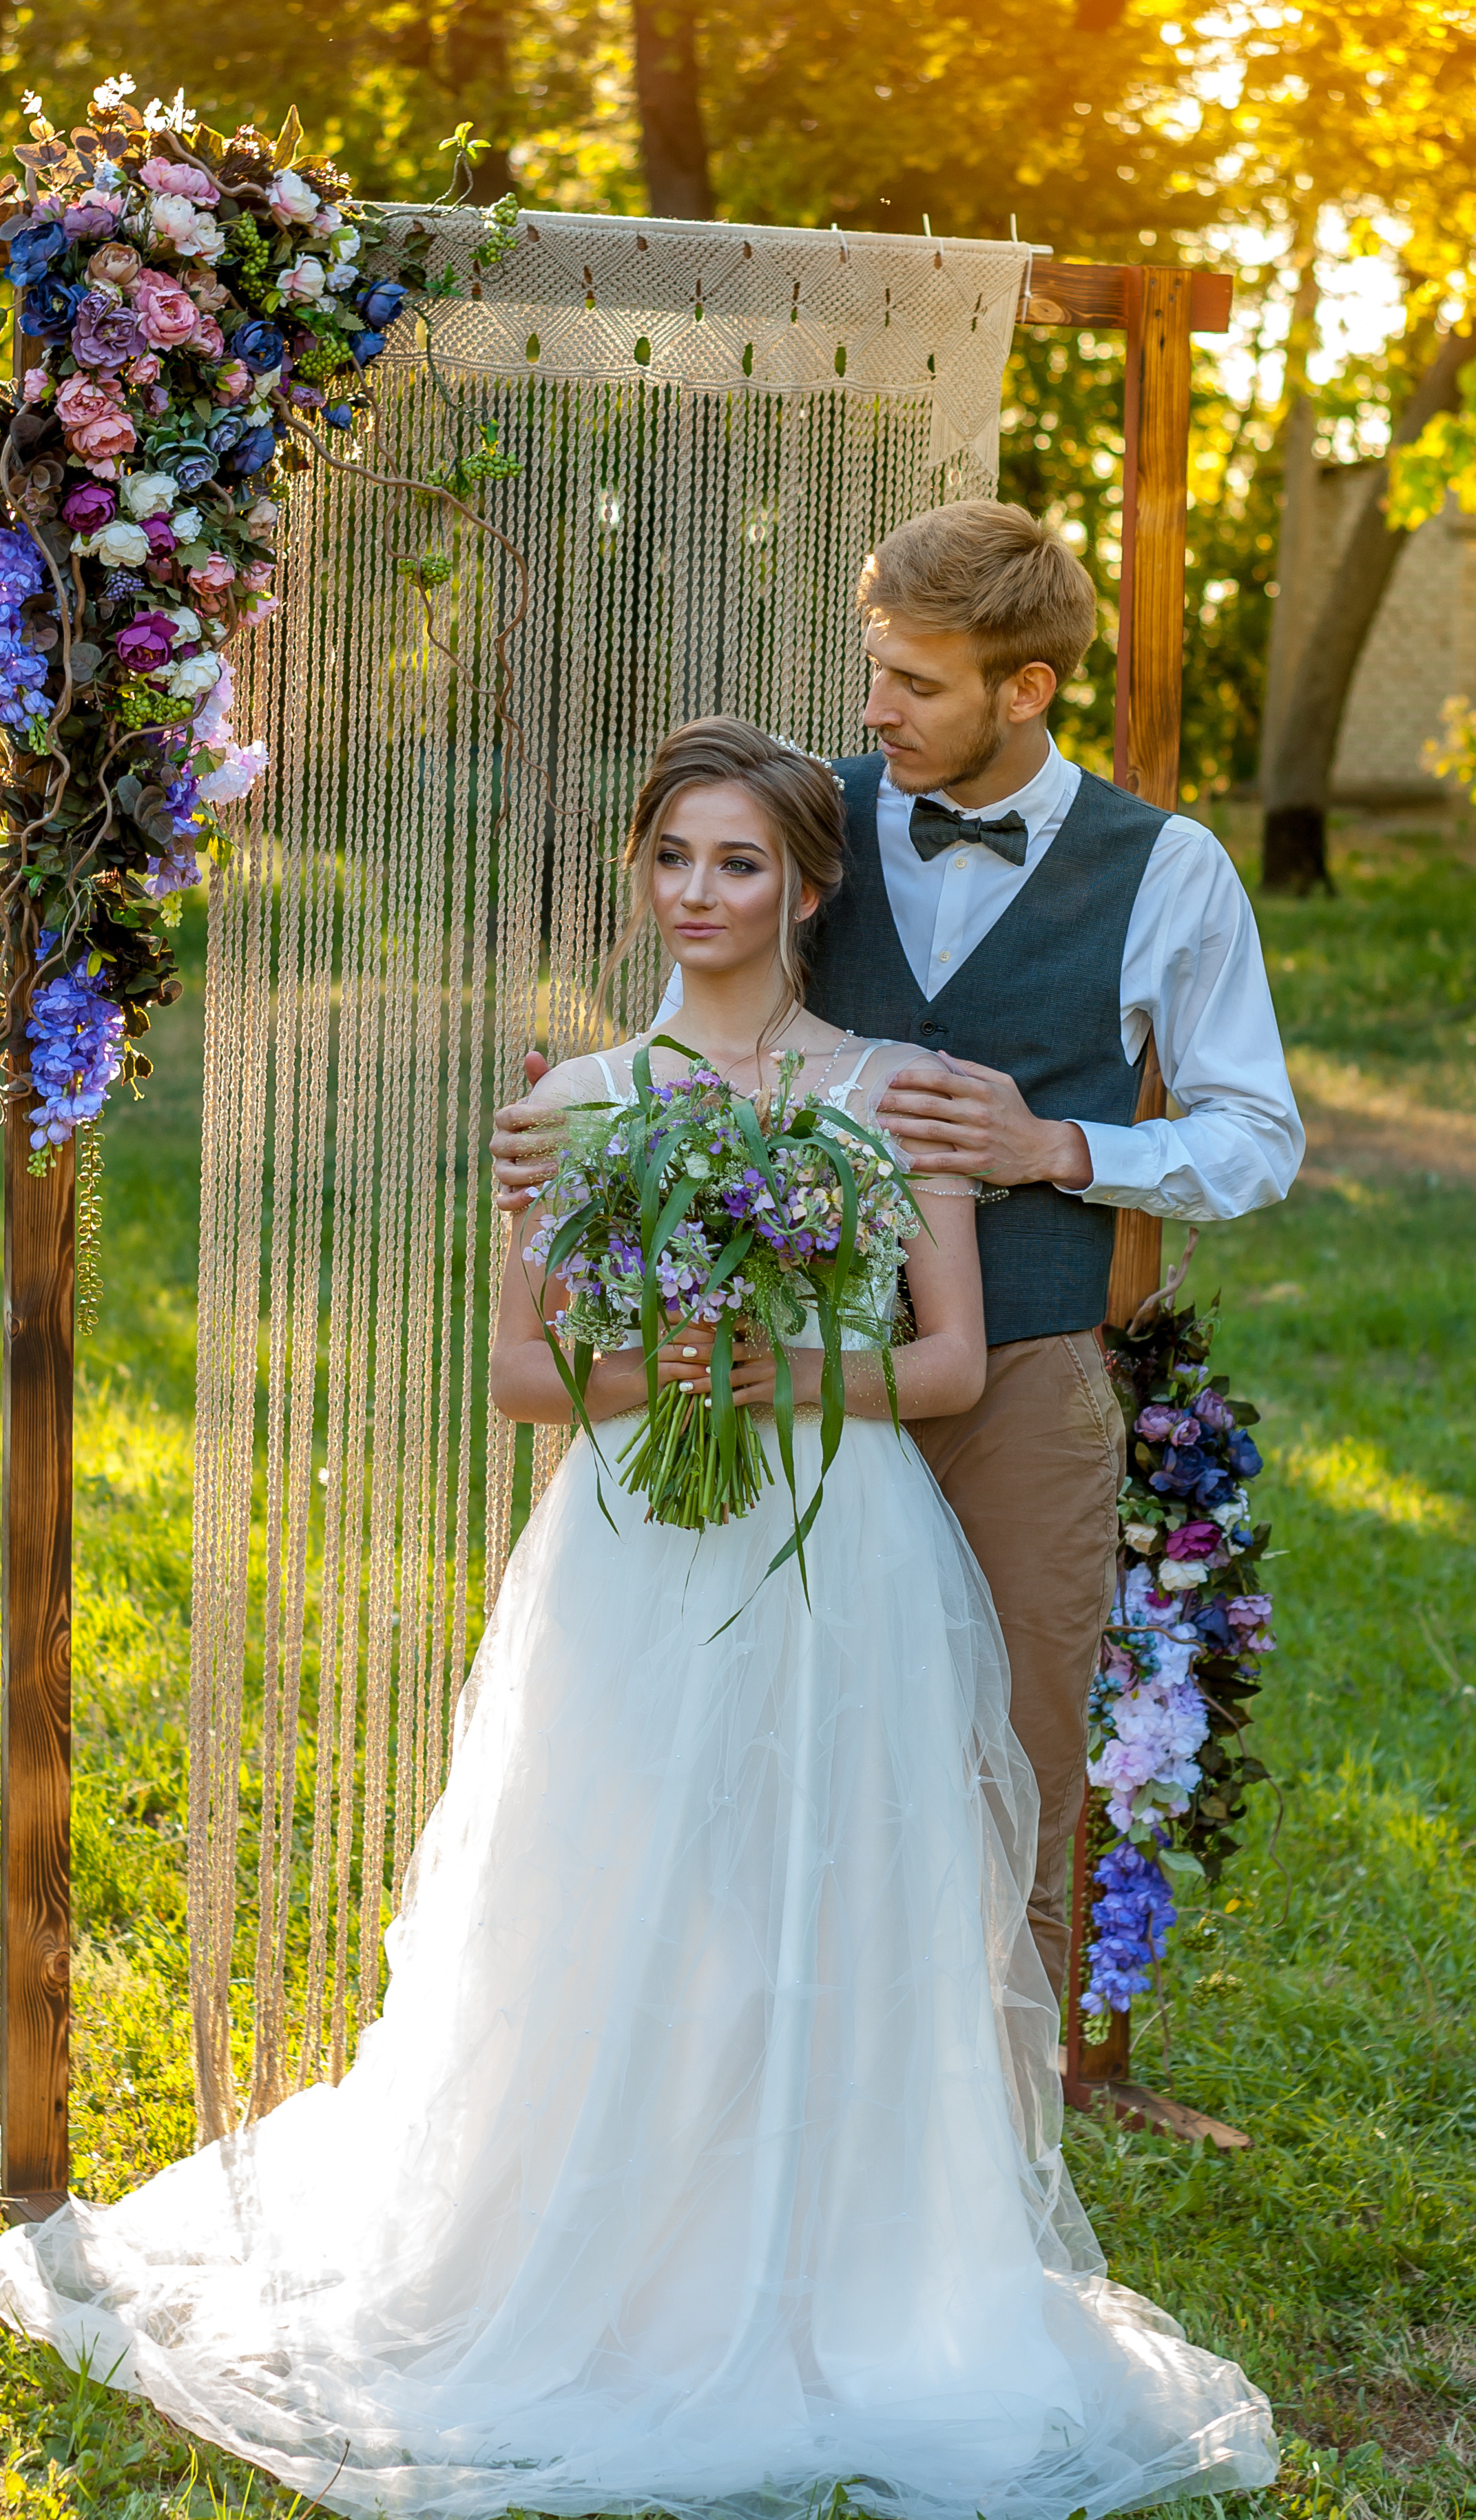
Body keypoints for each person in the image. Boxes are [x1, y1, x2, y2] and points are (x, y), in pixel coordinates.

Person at [0, 718, 1278, 2519]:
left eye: (737, 863)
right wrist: (656, 1369)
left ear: (809, 890)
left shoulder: (895, 1092)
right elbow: (521, 1372)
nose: (697, 894)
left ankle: (834, 2253)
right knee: (630, 1877)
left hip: (845, 1550)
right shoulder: (581, 1102)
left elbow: (949, 1362)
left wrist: (783, 1372)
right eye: (671, 857)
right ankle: (616, 2239)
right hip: (634, 1546)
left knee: (833, 1874)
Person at [492, 500, 1304, 2003]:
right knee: (751, 1772)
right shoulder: (804, 817)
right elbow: (697, 1027)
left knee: (1008, 1782)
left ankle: (987, 2121)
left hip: (1017, 1380)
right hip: (769, 1399)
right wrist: (582, 1137)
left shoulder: (1166, 868)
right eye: (877, 670)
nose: (876, 709)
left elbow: (1259, 1135)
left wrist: (1058, 1148)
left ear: (1026, 688)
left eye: (916, 683)